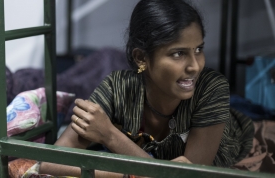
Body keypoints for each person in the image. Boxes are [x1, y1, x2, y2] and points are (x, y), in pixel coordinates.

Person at [38, 0, 254, 177]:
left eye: (198, 49)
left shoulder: (211, 88)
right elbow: (50, 163)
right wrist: (130, 174)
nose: (195, 66)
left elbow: (189, 176)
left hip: (237, 134)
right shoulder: (116, 87)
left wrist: (110, 135)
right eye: (178, 53)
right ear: (141, 57)